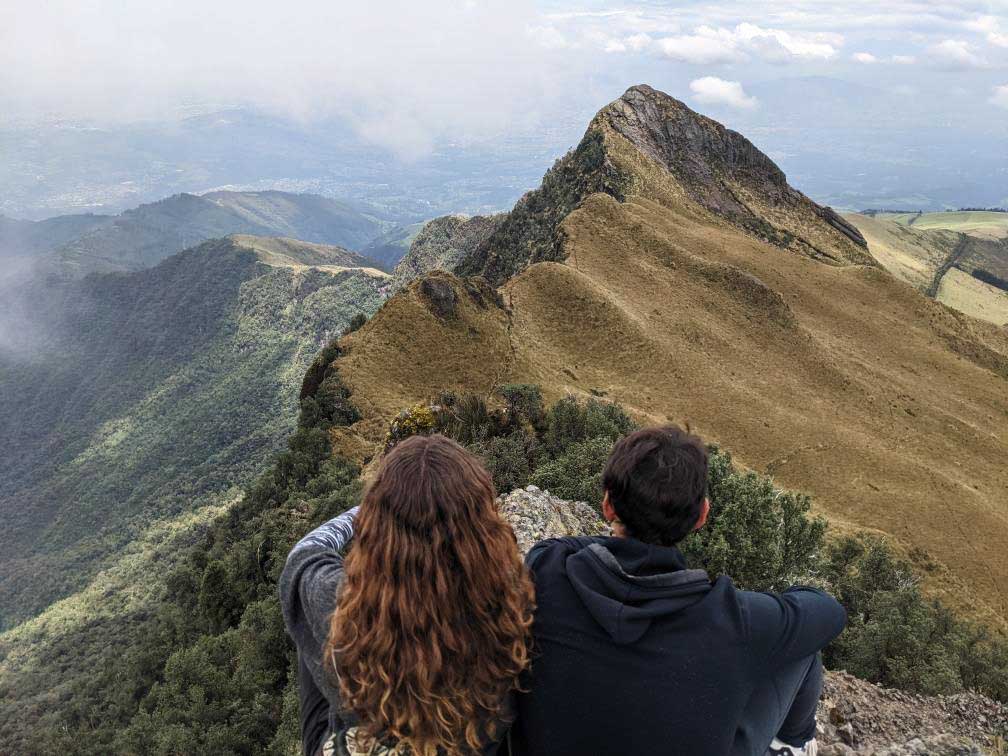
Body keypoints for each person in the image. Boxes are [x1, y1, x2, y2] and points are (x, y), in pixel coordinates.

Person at [512, 425, 846, 756]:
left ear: (607, 505)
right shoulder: (735, 620)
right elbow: (829, 612)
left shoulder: (548, 568)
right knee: (800, 644)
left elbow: (560, 545)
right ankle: (792, 745)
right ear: (702, 516)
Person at [279, 434, 535, 756]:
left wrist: (370, 510)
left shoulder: (338, 596)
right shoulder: (509, 601)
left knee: (318, 613)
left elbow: (303, 554)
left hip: (368, 733)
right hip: (470, 742)